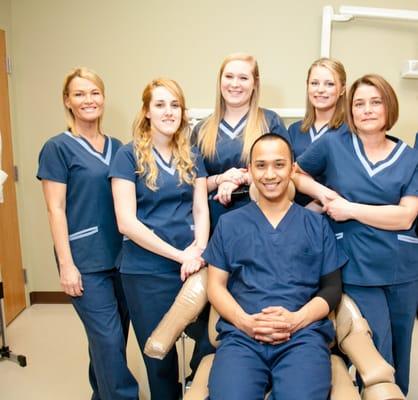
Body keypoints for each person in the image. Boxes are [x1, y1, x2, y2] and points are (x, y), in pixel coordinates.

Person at [295, 74, 418, 396]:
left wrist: (350, 209)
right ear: (349, 110)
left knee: (400, 360)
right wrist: (326, 195)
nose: (367, 110)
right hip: (356, 267)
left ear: (389, 106)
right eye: (359, 104)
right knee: (376, 356)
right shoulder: (334, 144)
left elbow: (405, 217)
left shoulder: (410, 157)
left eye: (375, 102)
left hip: (403, 270)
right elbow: (295, 174)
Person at [204, 133, 346, 400]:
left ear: (293, 168)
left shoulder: (316, 225)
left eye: (279, 165)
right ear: (249, 170)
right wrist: (246, 323)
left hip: (302, 338)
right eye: (261, 165)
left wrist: (296, 320)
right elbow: (215, 286)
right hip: (242, 338)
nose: (270, 174)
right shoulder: (230, 224)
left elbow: (331, 288)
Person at [37, 67, 138, 400]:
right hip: (84, 260)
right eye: (79, 94)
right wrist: (66, 265)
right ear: (67, 101)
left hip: (121, 256)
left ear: (104, 99)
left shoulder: (119, 146)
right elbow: (56, 209)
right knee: (108, 341)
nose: (88, 100)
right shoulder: (58, 148)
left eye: (94, 92)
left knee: (111, 341)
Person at [109, 78, 212, 400]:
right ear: (147, 112)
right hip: (147, 271)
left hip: (192, 267)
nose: (169, 111)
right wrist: (180, 256)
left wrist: (199, 249)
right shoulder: (128, 157)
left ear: (183, 112)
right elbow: (127, 223)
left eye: (175, 105)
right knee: (160, 356)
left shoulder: (192, 155)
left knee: (213, 338)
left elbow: (200, 208)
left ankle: (196, 390)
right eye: (160, 104)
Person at [192, 53, 290, 228]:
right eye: (229, 76)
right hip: (214, 224)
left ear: (255, 84)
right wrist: (220, 179)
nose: (235, 84)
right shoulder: (202, 129)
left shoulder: (270, 122)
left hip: (262, 220)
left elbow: (285, 176)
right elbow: (191, 186)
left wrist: (241, 178)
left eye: (243, 78)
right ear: (220, 80)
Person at [288, 57, 347, 207]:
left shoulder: (350, 131)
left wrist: (316, 207)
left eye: (330, 84)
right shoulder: (294, 130)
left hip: (336, 213)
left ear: (342, 89)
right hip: (294, 211)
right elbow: (286, 172)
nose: (320, 89)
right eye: (314, 83)